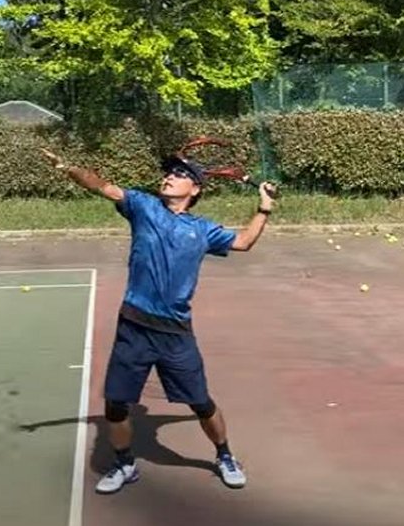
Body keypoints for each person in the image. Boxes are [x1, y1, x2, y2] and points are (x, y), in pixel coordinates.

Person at [40, 147, 275, 494]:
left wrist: (264, 207)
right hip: (133, 325)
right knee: (115, 405)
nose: (168, 177)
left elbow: (243, 242)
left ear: (195, 189)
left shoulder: (203, 230)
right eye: (168, 173)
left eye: (179, 175)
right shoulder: (143, 206)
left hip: (175, 333)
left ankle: (225, 456)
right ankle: (124, 464)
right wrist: (67, 167)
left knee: (201, 403)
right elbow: (102, 186)